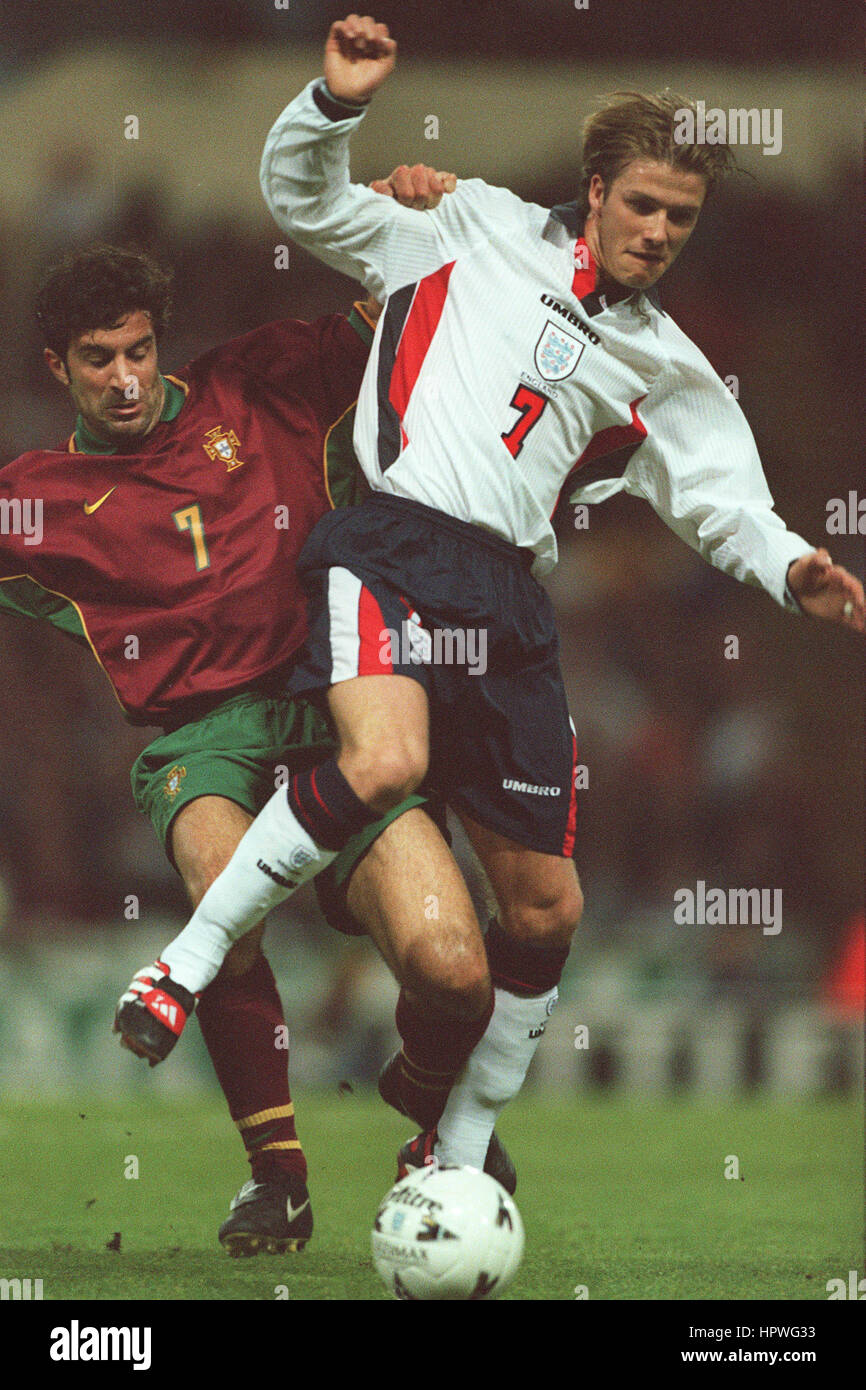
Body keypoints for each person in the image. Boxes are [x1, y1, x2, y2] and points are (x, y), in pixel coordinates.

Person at [124, 13, 864, 1180]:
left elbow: (723, 499)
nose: (659, 232)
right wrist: (335, 105)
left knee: (546, 912)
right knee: (379, 764)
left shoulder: (666, 365)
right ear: (597, 188)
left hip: (507, 605)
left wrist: (789, 568)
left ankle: (456, 1143)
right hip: (391, 545)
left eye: (680, 217)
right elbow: (307, 204)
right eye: (642, 206)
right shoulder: (465, 227)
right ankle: (179, 967)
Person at [0, 186, 514, 1259]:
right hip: (200, 742)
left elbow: (418, 300)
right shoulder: (33, 498)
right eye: (98, 359)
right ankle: (276, 1179)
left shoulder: (262, 379)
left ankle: (421, 1102)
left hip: (339, 714)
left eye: (139, 350)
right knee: (214, 884)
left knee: (457, 971)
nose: (127, 377)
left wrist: (432, 205)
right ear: (59, 367)